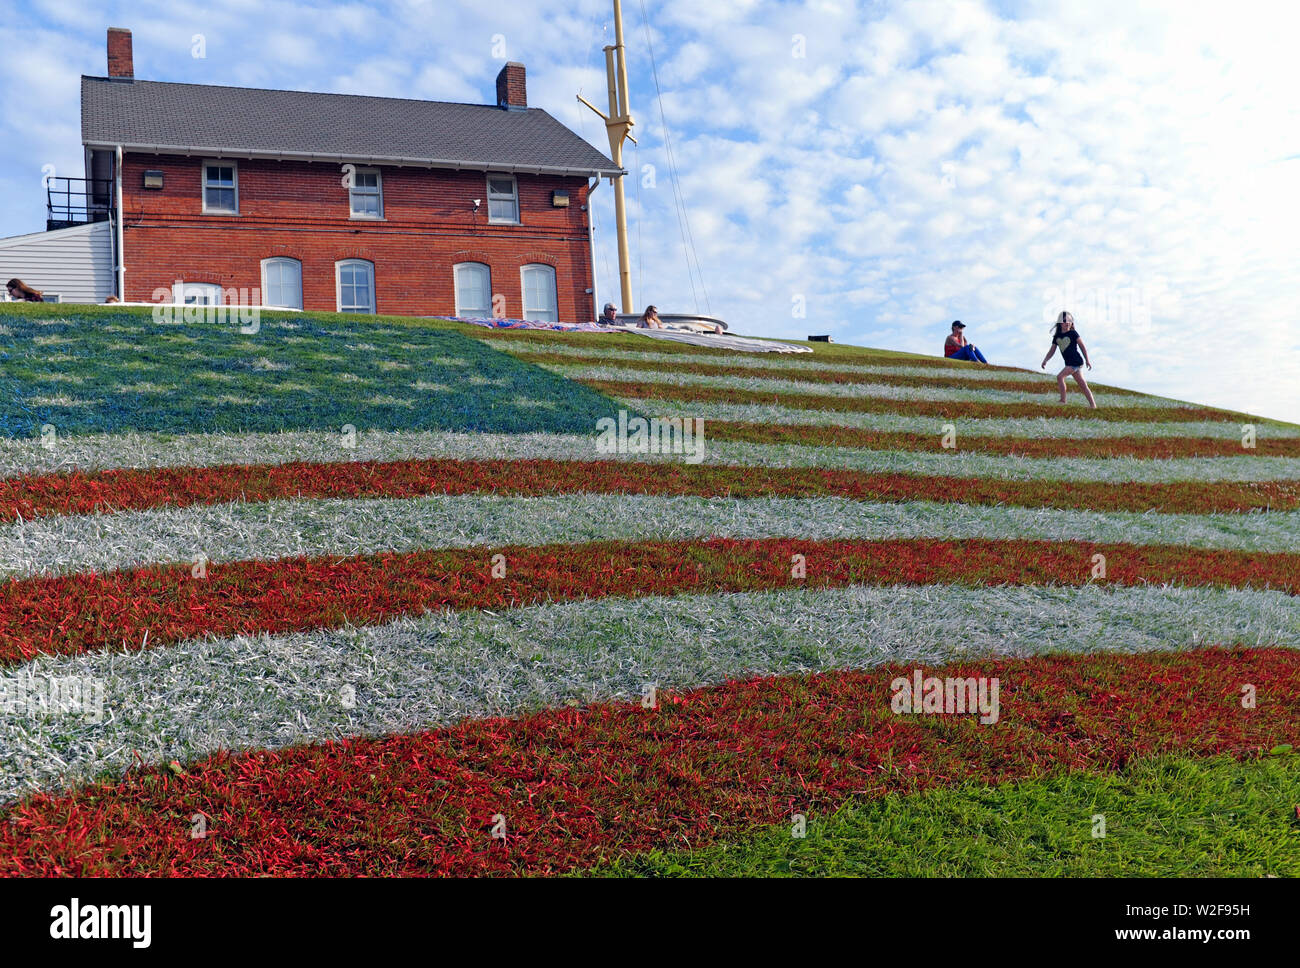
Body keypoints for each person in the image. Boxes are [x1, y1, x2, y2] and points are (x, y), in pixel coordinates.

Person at [1041, 310, 1096, 408]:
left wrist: (1087, 360)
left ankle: (1063, 400)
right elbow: (1052, 351)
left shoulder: (1073, 333)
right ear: (1060, 322)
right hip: (1070, 363)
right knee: (1083, 385)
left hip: (1075, 362)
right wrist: (1045, 360)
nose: (1067, 323)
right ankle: (1093, 405)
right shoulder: (1057, 337)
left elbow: (1082, 347)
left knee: (1060, 377)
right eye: (1065, 320)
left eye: (1070, 321)